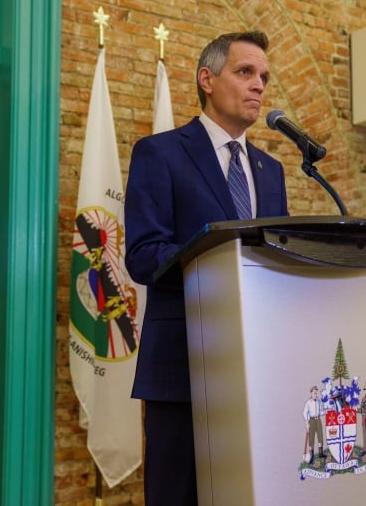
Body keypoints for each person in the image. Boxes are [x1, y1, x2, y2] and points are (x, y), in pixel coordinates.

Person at [124, 30, 289, 506]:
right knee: (177, 494)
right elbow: (143, 254)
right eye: (245, 72)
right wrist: (218, 261)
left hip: (257, 365)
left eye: (264, 76)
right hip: (183, 363)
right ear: (207, 79)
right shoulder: (161, 153)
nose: (259, 85)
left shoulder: (269, 170)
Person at [303, 385, 325, 464]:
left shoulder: (319, 401)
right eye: (314, 393)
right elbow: (305, 413)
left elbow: (321, 411)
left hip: (318, 419)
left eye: (316, 393)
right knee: (311, 438)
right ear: (311, 393)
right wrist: (306, 423)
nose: (315, 394)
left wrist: (326, 412)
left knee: (320, 436)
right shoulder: (308, 402)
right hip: (311, 421)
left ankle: (320, 452)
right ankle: (311, 455)